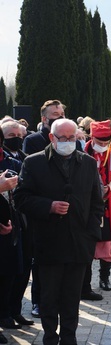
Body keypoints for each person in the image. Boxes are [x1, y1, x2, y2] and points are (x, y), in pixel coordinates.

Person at [14, 119, 104, 345]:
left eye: (71, 138)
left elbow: (96, 202)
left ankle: (69, 337)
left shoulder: (88, 163)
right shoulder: (34, 163)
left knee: (72, 296)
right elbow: (21, 199)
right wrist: (49, 206)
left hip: (79, 242)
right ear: (52, 138)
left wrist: (91, 233)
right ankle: (50, 336)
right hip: (48, 242)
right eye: (62, 138)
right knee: (49, 295)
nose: (67, 142)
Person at [21, 100, 81, 318]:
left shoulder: (76, 145)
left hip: (73, 225)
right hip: (45, 222)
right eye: (55, 114)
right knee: (43, 273)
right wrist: (48, 205)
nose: (60, 115)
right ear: (45, 119)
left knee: (68, 284)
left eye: (62, 113)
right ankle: (38, 302)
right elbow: (27, 187)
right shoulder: (33, 141)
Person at [83, 120, 111, 294]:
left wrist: (110, 188)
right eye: (100, 142)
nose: (103, 145)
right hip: (85, 206)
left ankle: (104, 277)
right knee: (86, 244)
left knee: (106, 243)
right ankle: (85, 282)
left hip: (105, 205)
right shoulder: (82, 153)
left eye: (106, 142)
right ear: (92, 138)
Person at [1, 122, 34, 330]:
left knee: (19, 271)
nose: (16, 138)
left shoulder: (15, 161)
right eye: (11, 135)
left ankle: (13, 311)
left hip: (19, 224)